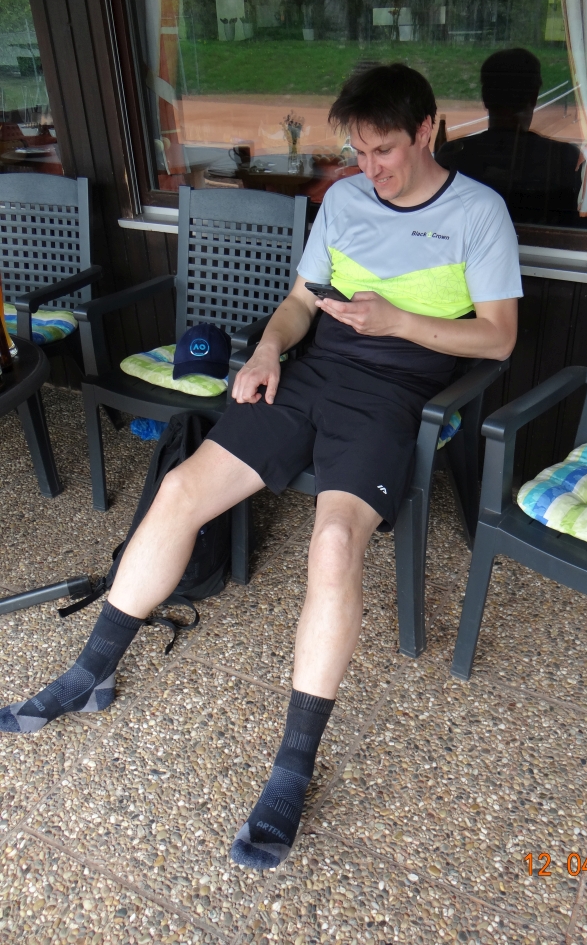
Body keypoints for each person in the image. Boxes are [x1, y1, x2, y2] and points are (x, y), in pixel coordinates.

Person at [0, 63, 522, 870]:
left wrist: (399, 321)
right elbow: (303, 300)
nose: (370, 168)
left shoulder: (478, 213)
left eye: (384, 150)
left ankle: (293, 766)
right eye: (357, 151)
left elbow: (498, 336)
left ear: (427, 132)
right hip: (310, 374)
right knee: (180, 489)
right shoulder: (344, 200)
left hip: (394, 391)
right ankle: (90, 670)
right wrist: (271, 350)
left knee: (334, 545)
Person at [437, 47, 587, 229]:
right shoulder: (565, 157)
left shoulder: (452, 156)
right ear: (533, 98)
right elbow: (581, 226)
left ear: (485, 97)